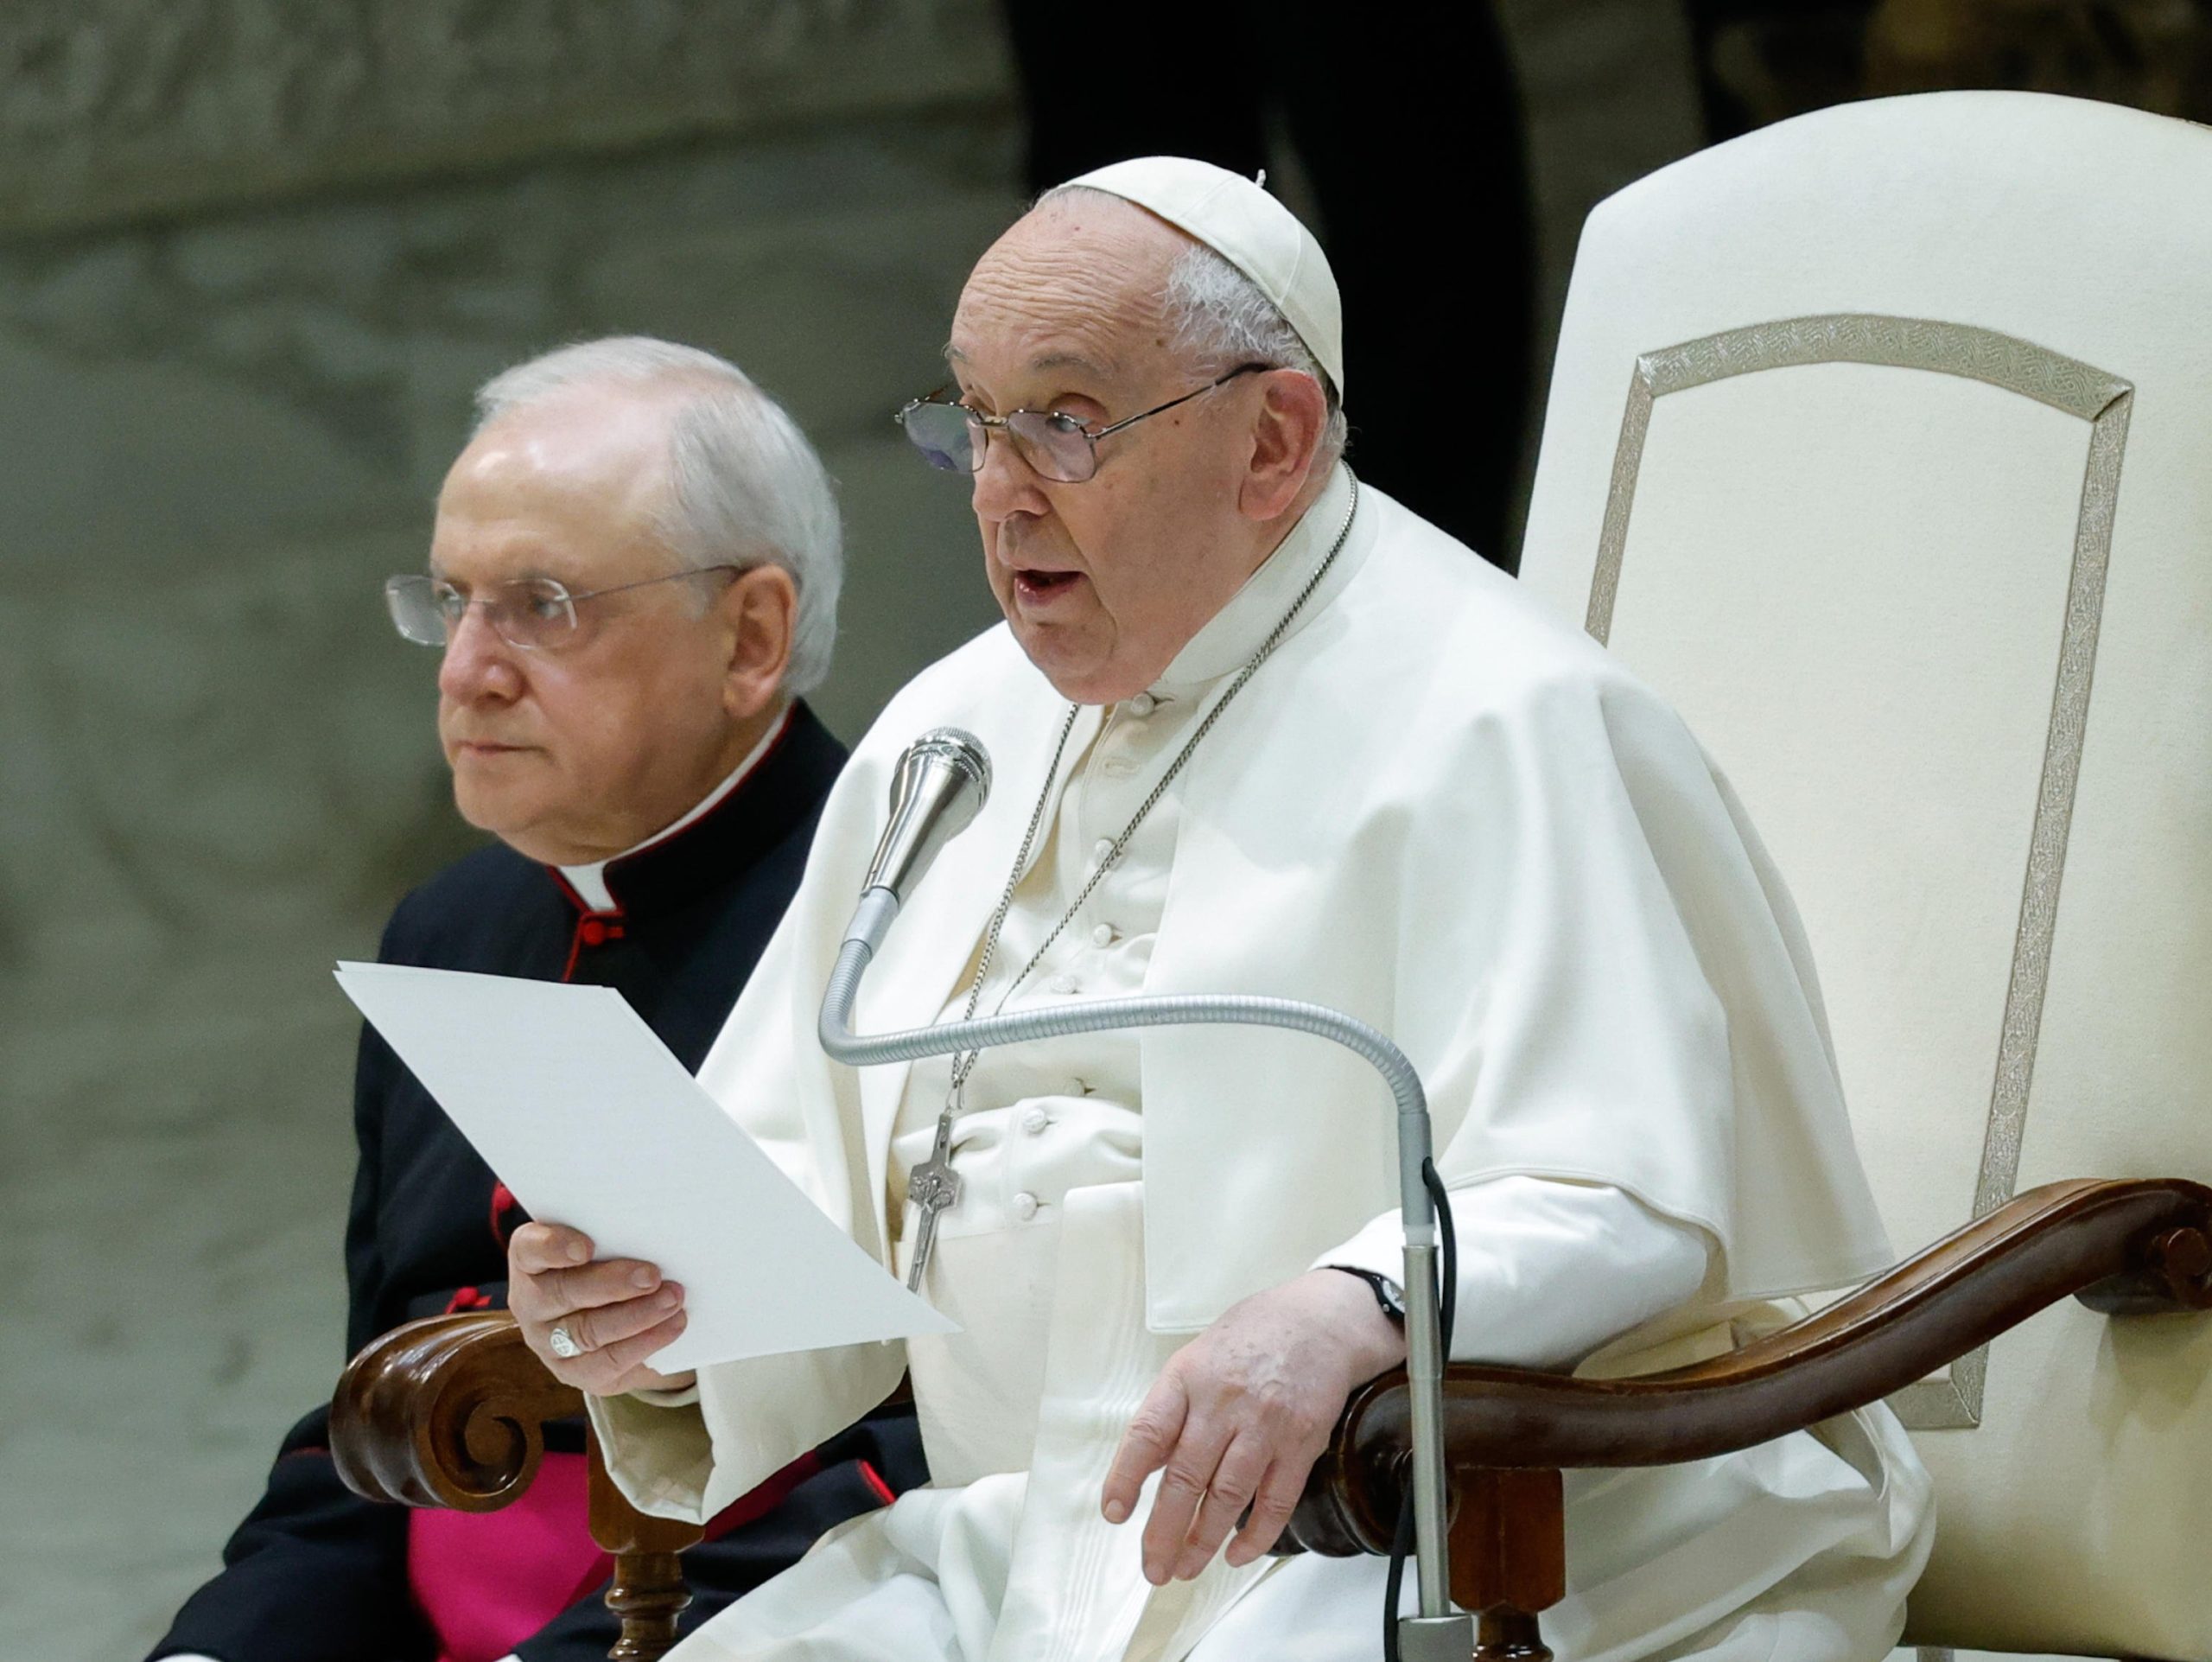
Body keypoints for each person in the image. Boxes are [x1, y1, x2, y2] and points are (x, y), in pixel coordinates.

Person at [508, 170, 1934, 1661]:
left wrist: (1355, 1306)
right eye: (975, 422)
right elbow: (810, 1174)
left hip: (1480, 1514)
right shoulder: (956, 730)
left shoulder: (1504, 718)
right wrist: (653, 1310)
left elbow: (1622, 1193)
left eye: (1066, 421)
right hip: (1044, 1535)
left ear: (1274, 442)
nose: (999, 492)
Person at [152, 338, 925, 1662]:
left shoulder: (913, 925)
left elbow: (926, 1457)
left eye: (542, 605)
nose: (466, 671)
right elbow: (382, 1426)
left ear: (750, 637)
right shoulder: (450, 932)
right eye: (452, 603)